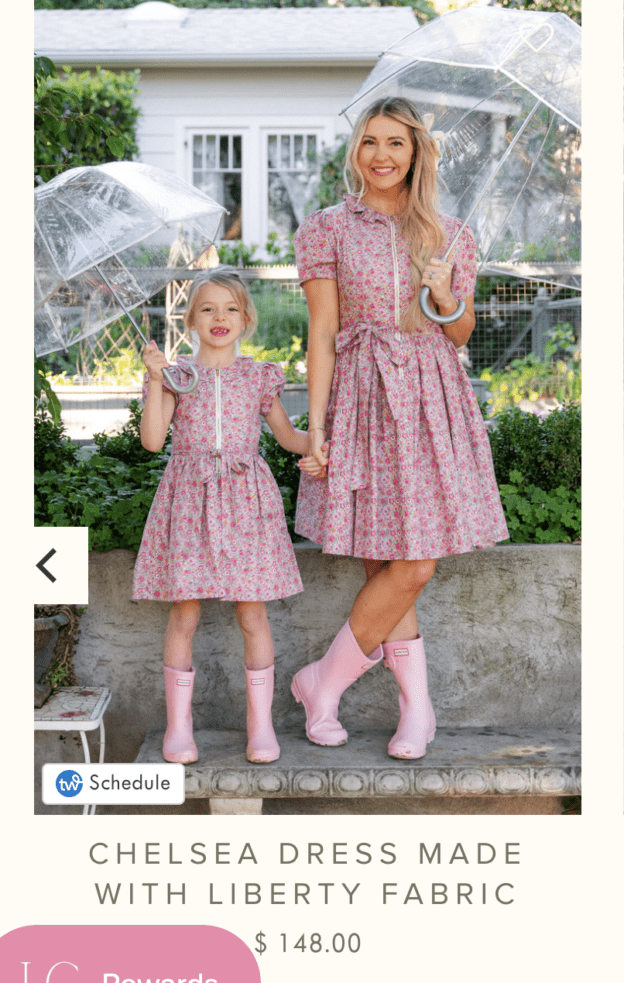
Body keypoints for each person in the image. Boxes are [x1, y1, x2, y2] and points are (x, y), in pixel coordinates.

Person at [290, 97, 509, 759]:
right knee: (383, 561)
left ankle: (321, 684)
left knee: (415, 563)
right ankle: (417, 711)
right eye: (369, 142)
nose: (381, 155)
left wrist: (446, 298)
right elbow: (323, 332)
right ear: (355, 152)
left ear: (417, 153)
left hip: (429, 397)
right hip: (361, 392)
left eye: (396, 143)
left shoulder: (449, 233)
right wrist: (318, 425)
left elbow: (462, 334)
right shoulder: (327, 227)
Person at [132, 268, 323, 765]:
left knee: (252, 612)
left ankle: (260, 728)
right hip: (190, 500)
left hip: (245, 503)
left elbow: (288, 437)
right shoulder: (175, 375)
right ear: (191, 318)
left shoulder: (259, 376)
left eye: (231, 308)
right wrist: (155, 380)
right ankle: (179, 729)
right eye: (209, 308)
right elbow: (153, 440)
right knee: (185, 612)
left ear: (247, 319)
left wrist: (323, 443)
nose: (220, 317)